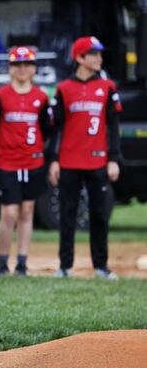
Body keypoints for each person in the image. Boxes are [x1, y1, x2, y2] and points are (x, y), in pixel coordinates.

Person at [48, 36, 122, 280]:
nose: (99, 58)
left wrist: (114, 158)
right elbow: (57, 127)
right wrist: (54, 159)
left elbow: (113, 126)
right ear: (80, 58)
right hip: (69, 161)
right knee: (67, 215)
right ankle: (64, 266)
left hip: (97, 161)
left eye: (100, 53)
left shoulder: (108, 87)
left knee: (99, 214)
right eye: (94, 53)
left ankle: (101, 266)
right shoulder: (64, 88)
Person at [0, 46, 51, 276]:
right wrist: (1, 149)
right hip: (7, 162)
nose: (22, 69)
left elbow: (47, 128)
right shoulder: (1, 96)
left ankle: (22, 262)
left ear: (34, 68)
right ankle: (2, 263)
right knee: (9, 213)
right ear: (10, 68)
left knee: (27, 211)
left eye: (27, 64)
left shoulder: (41, 97)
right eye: (17, 64)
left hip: (32, 162)